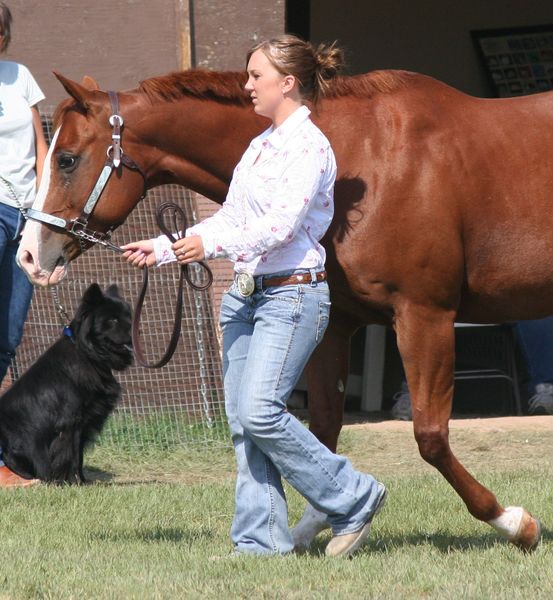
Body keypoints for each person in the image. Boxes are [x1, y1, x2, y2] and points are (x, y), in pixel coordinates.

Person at [122, 34, 387, 557]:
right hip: (244, 296)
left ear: (287, 83)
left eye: (256, 76)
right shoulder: (260, 145)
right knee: (245, 424)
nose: (247, 86)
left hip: (291, 297)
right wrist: (166, 245)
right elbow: (233, 217)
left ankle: (352, 496)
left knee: (261, 411)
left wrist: (203, 245)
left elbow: (280, 228)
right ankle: (260, 541)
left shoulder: (310, 148)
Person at [0, 2, 46, 487]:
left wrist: (40, 217)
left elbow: (40, 146)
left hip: (24, 214)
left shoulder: (20, 77)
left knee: (8, 337)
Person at [391, 317, 553, 420]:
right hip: (452, 295)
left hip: (503, 294)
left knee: (539, 309)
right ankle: (415, 395)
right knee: (419, 310)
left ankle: (545, 389)